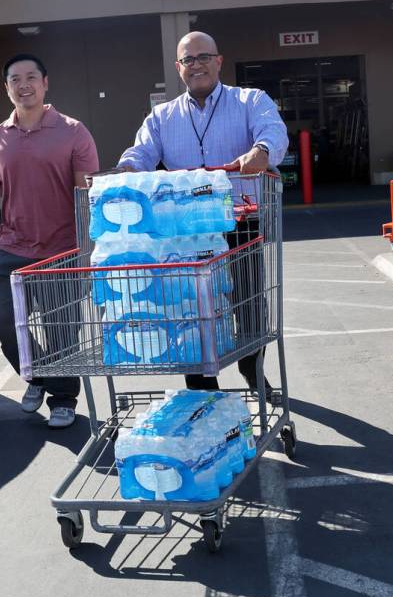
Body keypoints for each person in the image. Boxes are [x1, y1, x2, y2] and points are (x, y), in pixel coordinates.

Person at [117, 31, 288, 394]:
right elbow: (140, 154)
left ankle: (251, 368)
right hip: (185, 233)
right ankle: (201, 386)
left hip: (239, 222)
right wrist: (125, 172)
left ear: (219, 61)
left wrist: (261, 151)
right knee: (190, 306)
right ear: (178, 68)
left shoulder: (249, 101)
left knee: (249, 303)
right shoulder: (162, 116)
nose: (196, 65)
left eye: (203, 57)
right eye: (188, 60)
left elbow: (273, 132)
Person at [0, 54, 99, 429]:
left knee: (61, 330)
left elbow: (85, 196)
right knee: (4, 319)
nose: (24, 85)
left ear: (45, 83)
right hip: (11, 248)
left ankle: (63, 398)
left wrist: (87, 251)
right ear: (6, 88)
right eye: (15, 79)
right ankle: (37, 376)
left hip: (62, 248)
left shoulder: (72, 131)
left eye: (31, 77)